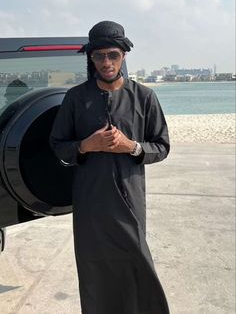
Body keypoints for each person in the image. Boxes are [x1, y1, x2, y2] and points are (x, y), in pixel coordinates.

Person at [50, 21, 170, 314]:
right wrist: (85, 146)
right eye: (99, 56)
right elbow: (58, 145)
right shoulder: (76, 98)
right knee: (95, 271)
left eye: (113, 55)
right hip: (91, 203)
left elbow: (162, 146)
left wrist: (132, 147)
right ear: (91, 58)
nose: (106, 62)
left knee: (136, 265)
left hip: (130, 200)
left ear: (124, 56)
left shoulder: (144, 97)